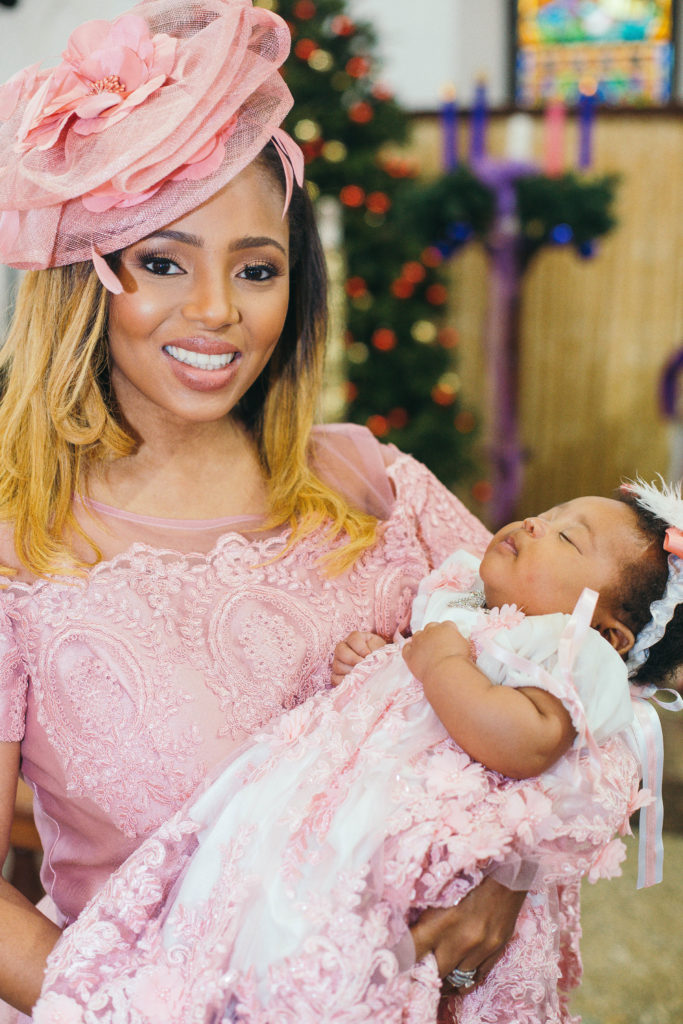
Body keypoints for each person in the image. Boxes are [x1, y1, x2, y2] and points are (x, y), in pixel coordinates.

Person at [0, 1, 663, 1021]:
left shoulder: (376, 486)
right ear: (82, 280)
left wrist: (507, 875)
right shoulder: (17, 548)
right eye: (163, 261)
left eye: (257, 269)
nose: (217, 310)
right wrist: (145, 1007)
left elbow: (584, 684)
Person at [29, 481, 683, 1023]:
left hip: (409, 849)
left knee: (368, 955)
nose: (535, 525)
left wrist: (439, 665)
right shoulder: (464, 602)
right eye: (548, 513)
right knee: (259, 905)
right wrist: (378, 665)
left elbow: (527, 742)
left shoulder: (573, 652)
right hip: (326, 803)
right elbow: (415, 692)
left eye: (567, 538)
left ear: (609, 633)